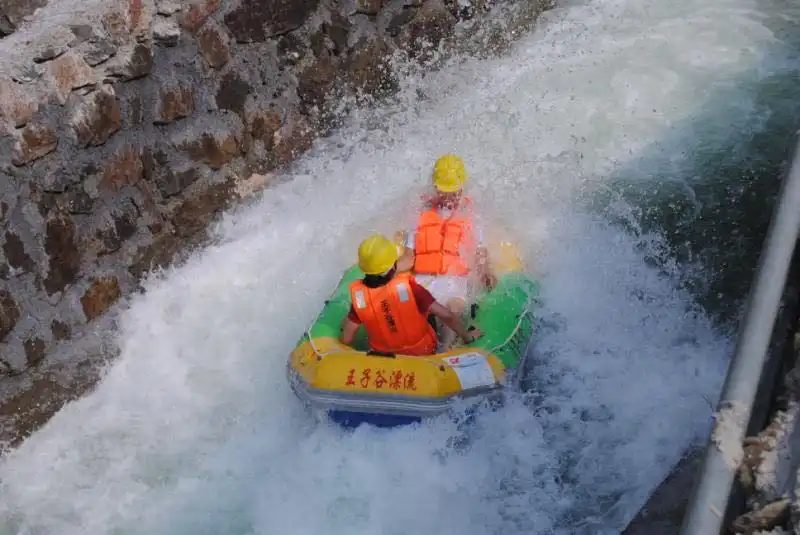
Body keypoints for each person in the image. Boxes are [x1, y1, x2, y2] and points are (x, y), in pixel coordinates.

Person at [395, 154, 495, 348]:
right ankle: (415, 348)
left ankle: (446, 351)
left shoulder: (471, 216)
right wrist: (388, 271)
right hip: (423, 279)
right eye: (443, 191)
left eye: (453, 191)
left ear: (462, 187)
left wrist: (485, 272)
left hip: (454, 280)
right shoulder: (420, 214)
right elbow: (409, 257)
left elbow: (480, 253)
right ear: (435, 187)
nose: (449, 196)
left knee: (453, 309)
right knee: (412, 310)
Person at [340, 234, 483, 356]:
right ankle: (446, 348)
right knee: (431, 312)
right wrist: (467, 336)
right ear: (394, 265)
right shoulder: (409, 289)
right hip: (423, 352)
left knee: (352, 320)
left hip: (383, 355)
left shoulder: (360, 297)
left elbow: (347, 338)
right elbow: (447, 316)